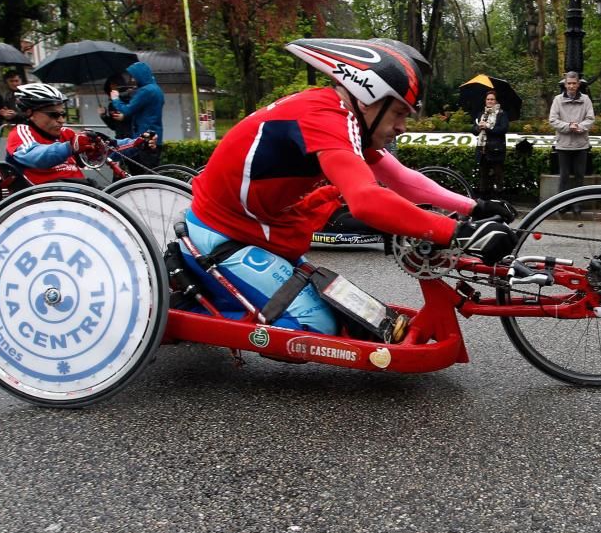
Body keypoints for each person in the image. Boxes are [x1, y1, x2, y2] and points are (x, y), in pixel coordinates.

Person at [187, 37, 518, 338]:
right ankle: (191, 314)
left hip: (255, 229)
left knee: (349, 314)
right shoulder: (324, 114)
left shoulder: (343, 118)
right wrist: (458, 232)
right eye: (399, 112)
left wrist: (473, 207)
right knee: (316, 325)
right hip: (222, 234)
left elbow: (400, 179)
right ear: (367, 98)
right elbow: (366, 200)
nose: (402, 127)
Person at [6, 83, 154, 185]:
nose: (61, 120)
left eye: (62, 114)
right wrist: (70, 147)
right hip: (48, 199)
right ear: (30, 113)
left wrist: (136, 144)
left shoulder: (65, 134)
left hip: (80, 192)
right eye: (54, 115)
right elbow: (37, 156)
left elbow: (107, 150)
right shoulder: (20, 133)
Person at [549, 71, 594, 210]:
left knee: (579, 176)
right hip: (563, 145)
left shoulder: (586, 99)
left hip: (581, 145)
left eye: (574, 83)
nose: (571, 86)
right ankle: (562, 204)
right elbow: (552, 120)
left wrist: (579, 126)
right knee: (564, 176)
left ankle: (577, 204)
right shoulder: (557, 100)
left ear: (578, 84)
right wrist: (568, 126)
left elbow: (591, 118)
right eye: (569, 83)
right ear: (565, 83)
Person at [109, 61, 164, 170]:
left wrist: (115, 99)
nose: (133, 80)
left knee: (140, 175)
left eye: (134, 77)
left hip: (143, 137)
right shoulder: (156, 89)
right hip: (156, 136)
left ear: (140, 75)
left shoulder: (146, 91)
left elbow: (127, 110)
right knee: (150, 172)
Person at [471, 90, 509, 198]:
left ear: (495, 100)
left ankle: (498, 200)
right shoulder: (481, 114)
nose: (490, 101)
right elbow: (473, 130)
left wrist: (488, 128)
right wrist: (478, 127)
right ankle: (484, 201)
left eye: (492, 99)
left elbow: (503, 129)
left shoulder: (502, 114)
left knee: (498, 177)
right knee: (483, 177)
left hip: (496, 150)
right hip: (482, 150)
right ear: (485, 100)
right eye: (488, 99)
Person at [98, 73, 133, 139]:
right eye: (110, 85)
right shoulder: (112, 105)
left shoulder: (130, 99)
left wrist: (124, 117)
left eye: (114, 84)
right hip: (119, 138)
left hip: (132, 137)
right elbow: (113, 126)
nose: (112, 87)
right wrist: (104, 116)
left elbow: (138, 117)